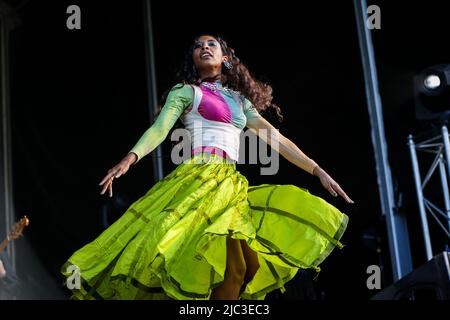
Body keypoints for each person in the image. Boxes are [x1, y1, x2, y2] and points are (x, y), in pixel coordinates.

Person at [61, 34, 354, 300]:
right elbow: (159, 129)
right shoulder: (186, 92)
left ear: (225, 59)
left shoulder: (240, 101)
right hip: (199, 177)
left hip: (229, 184)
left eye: (211, 44)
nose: (204, 48)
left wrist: (317, 170)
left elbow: (275, 138)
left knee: (246, 269)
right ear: (193, 59)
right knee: (208, 261)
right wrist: (130, 157)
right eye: (198, 46)